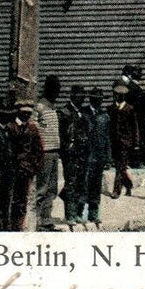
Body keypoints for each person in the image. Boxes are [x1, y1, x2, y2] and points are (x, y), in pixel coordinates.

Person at [31, 76, 63, 231]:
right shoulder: (40, 107)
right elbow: (34, 130)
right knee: (41, 188)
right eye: (55, 90)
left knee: (52, 188)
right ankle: (36, 222)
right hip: (44, 153)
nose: (57, 94)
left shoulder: (52, 108)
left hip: (54, 152)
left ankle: (46, 220)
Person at [8, 100, 45, 232]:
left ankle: (19, 225)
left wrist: (33, 167)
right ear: (18, 112)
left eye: (29, 114)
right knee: (10, 198)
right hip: (12, 170)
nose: (26, 116)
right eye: (24, 113)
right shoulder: (11, 127)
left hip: (26, 171)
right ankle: (9, 225)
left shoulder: (33, 128)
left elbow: (39, 150)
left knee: (23, 199)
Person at [59, 85, 89, 228]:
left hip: (82, 153)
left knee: (81, 182)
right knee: (71, 183)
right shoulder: (65, 112)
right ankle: (70, 214)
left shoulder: (81, 112)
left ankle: (78, 212)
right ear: (72, 97)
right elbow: (61, 135)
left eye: (83, 96)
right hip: (70, 154)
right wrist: (67, 147)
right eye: (79, 96)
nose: (82, 99)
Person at [82, 88, 110, 229]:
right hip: (86, 155)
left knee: (96, 185)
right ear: (90, 99)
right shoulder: (84, 113)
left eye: (99, 99)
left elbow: (107, 138)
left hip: (99, 155)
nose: (97, 101)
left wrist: (108, 157)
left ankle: (94, 213)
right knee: (84, 184)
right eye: (95, 98)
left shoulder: (104, 116)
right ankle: (80, 213)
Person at [109, 82, 140, 198]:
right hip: (114, 142)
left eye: (121, 95)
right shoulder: (111, 108)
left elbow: (134, 127)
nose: (119, 97)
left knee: (120, 166)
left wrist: (136, 143)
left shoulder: (129, 109)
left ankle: (116, 190)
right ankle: (128, 184)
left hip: (126, 143)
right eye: (117, 95)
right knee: (120, 166)